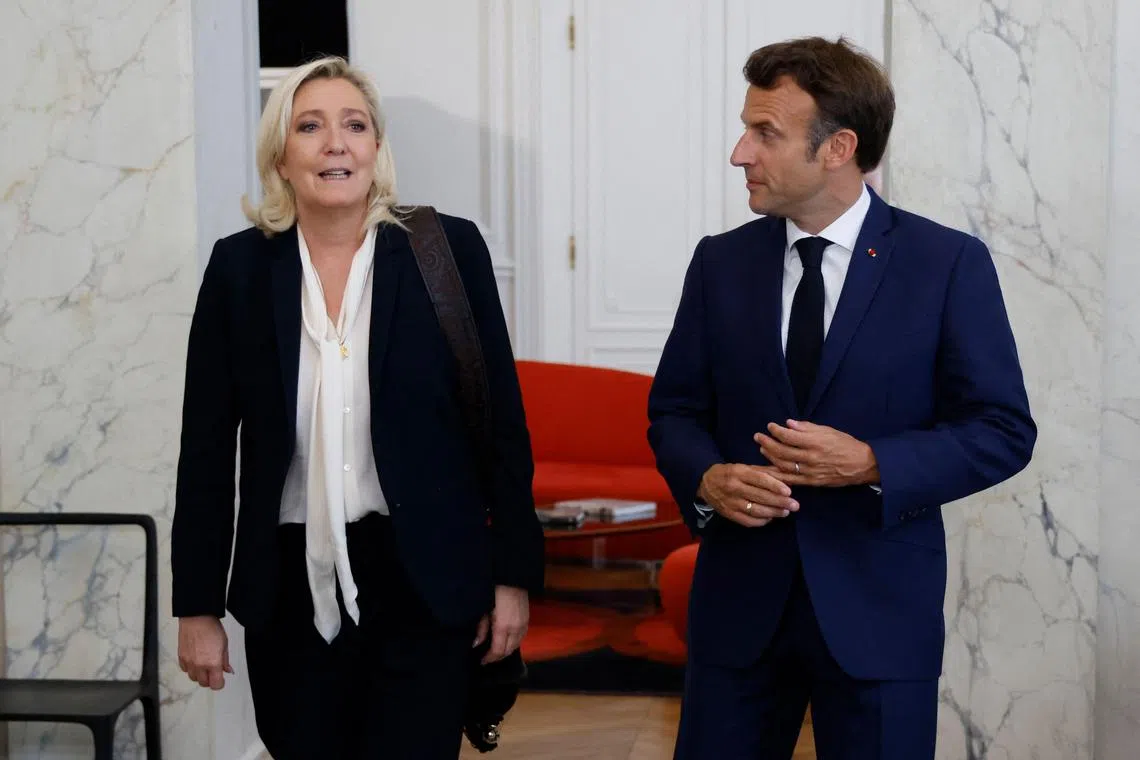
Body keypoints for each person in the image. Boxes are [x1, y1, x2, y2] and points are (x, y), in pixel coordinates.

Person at [648, 37, 1035, 759]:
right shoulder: (719, 263)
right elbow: (673, 412)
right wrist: (705, 476)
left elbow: (1002, 429)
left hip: (881, 614)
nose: (740, 152)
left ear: (838, 148)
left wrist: (871, 462)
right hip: (738, 615)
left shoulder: (947, 264)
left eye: (766, 133)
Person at [170, 56, 543, 759]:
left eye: (354, 125)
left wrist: (512, 575)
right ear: (281, 155)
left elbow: (502, 427)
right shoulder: (240, 270)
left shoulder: (446, 251)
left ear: (377, 147)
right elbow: (207, 451)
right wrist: (197, 606)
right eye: (309, 127)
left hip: (423, 580)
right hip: (285, 589)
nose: (335, 143)